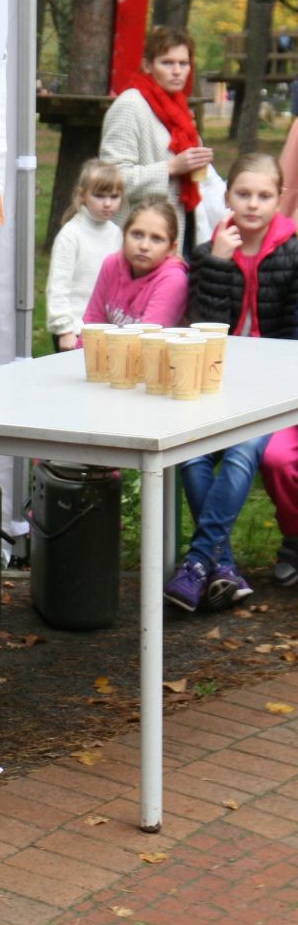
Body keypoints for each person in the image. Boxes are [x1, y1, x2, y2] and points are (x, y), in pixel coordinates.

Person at [164, 152, 298, 607]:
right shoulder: (208, 254)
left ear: (280, 199)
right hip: (218, 387)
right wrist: (220, 264)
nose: (253, 204)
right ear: (227, 196)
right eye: (243, 194)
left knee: (249, 451)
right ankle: (221, 565)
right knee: (191, 455)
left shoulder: (294, 252)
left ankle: (200, 559)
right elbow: (205, 331)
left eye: (264, 196)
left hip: (275, 394)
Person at [99, 25, 212, 259]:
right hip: (140, 237)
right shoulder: (131, 105)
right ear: (148, 65)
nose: (177, 71)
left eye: (184, 63)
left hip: (179, 224)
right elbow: (111, 180)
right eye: (167, 63)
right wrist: (171, 168)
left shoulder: (178, 107)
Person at [45, 159, 123, 351]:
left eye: (114, 196)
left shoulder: (117, 234)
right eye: (99, 196)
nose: (107, 203)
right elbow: (58, 286)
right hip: (75, 330)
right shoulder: (71, 235)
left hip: (108, 330)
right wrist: (64, 329)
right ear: (82, 195)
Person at [81, 197, 188, 330]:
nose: (144, 246)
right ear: (124, 235)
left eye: (156, 239)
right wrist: (82, 351)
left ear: (171, 248)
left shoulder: (173, 280)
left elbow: (149, 340)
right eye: (137, 235)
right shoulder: (112, 264)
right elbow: (92, 324)